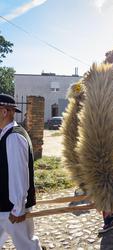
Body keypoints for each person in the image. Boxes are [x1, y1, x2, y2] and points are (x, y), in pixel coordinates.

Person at [0, 94, 42, 250]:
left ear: (4, 112)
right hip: (4, 206)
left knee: (27, 245)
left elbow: (18, 174)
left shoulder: (14, 137)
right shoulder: (6, 133)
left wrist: (18, 208)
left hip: (10, 209)